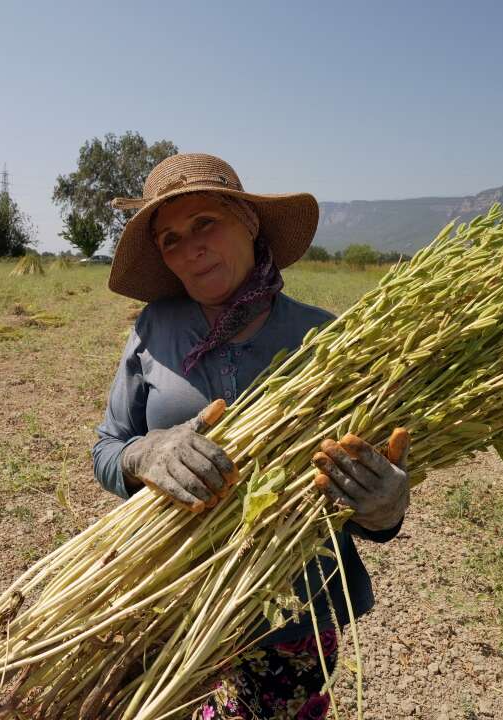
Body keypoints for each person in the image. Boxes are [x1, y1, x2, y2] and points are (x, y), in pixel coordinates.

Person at [92, 153, 410, 719]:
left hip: (292, 612)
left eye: (205, 223)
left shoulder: (328, 340)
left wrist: (385, 508)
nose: (189, 248)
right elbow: (108, 448)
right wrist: (148, 450)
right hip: (169, 596)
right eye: (170, 239)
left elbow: (367, 497)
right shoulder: (153, 329)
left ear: (250, 222)